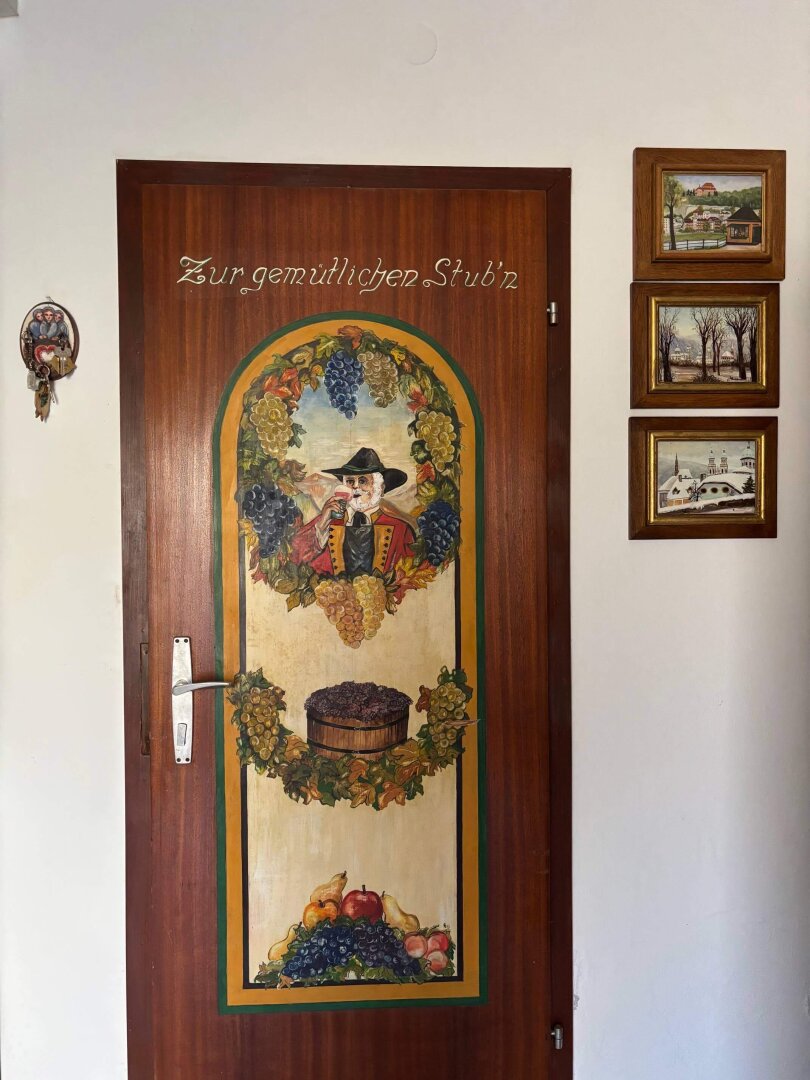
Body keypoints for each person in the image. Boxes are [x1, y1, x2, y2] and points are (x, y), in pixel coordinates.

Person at [290, 447, 415, 576]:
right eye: (350, 481)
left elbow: (409, 574)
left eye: (362, 481)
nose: (355, 486)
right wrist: (322, 524)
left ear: (381, 488)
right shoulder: (327, 521)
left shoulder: (400, 529)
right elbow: (295, 558)